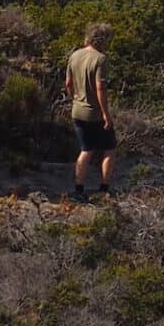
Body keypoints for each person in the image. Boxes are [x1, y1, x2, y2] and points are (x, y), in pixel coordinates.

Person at [65, 23, 118, 202]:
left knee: (85, 150)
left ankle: (78, 189)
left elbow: (68, 84)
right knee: (110, 149)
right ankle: (104, 189)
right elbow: (100, 89)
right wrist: (105, 114)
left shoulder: (74, 55)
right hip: (94, 113)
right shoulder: (100, 59)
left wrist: (76, 99)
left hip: (77, 110)